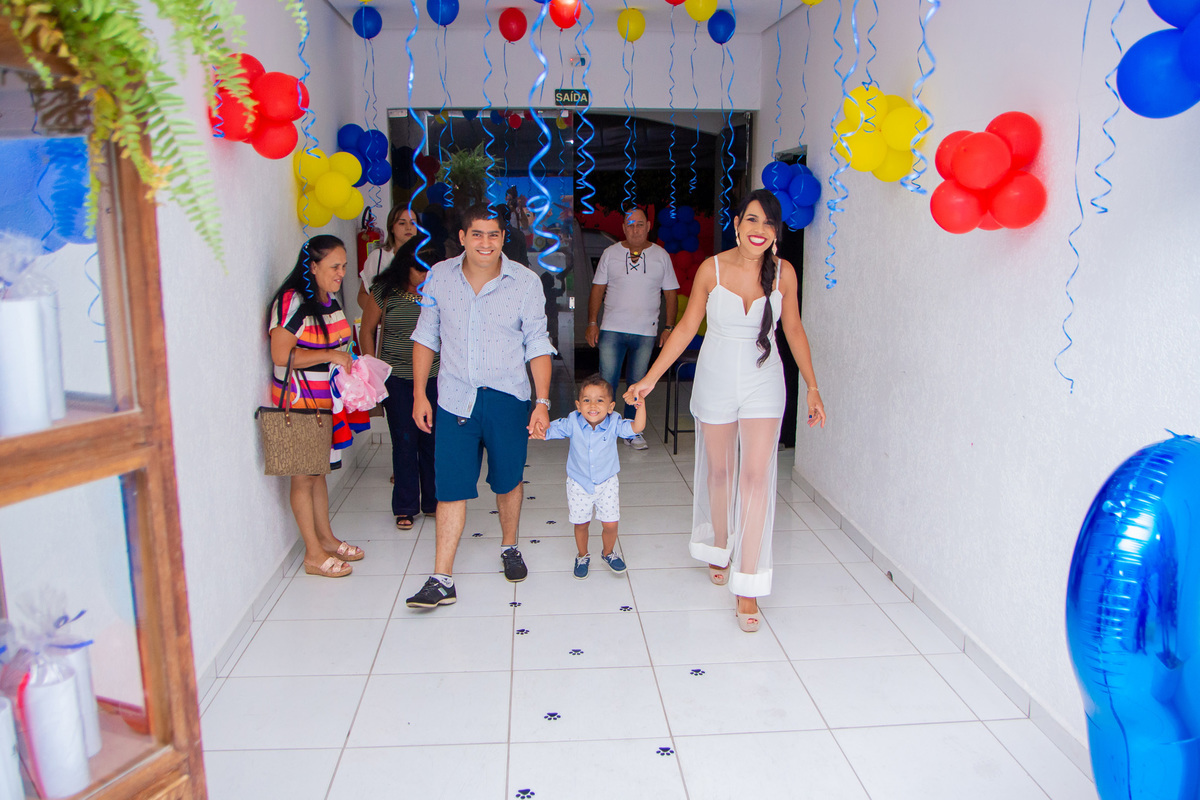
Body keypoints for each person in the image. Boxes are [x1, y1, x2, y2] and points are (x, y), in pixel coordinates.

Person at [625, 190, 827, 632]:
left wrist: (812, 386)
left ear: (776, 233)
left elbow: (792, 329)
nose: (760, 230)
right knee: (721, 473)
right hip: (716, 378)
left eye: (769, 223)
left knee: (757, 478)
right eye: (752, 220)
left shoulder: (785, 274)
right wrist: (650, 378)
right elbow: (682, 329)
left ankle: (749, 583)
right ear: (737, 223)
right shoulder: (710, 269)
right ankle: (720, 543)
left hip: (764, 382)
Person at [404, 205, 555, 609]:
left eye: (493, 235)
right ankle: (442, 578)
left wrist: (542, 402)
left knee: (507, 480)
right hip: (455, 398)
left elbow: (537, 343)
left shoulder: (525, 282)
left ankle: (509, 547)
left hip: (508, 397)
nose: (485, 243)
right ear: (463, 236)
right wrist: (420, 393)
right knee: (451, 486)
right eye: (477, 234)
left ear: (504, 238)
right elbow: (425, 336)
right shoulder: (439, 276)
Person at [267, 235, 367, 578]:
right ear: (312, 267)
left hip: (328, 403)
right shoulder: (292, 301)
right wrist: (330, 355)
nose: (341, 273)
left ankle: (326, 539)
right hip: (300, 404)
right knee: (303, 477)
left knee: (318, 473)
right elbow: (281, 354)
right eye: (334, 267)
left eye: (343, 266)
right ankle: (312, 553)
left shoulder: (328, 298)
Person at [359, 238, 444, 531]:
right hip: (395, 379)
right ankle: (406, 505)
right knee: (404, 441)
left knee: (432, 440)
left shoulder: (439, 293)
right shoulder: (385, 290)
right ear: (405, 265)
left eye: (430, 271)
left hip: (434, 377)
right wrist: (372, 370)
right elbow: (367, 330)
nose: (425, 276)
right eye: (419, 270)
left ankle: (433, 501)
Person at [532, 373, 646, 579]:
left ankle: (608, 553)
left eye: (599, 400)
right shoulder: (572, 422)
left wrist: (640, 406)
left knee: (611, 524)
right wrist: (537, 430)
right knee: (581, 523)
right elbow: (548, 430)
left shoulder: (614, 422)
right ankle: (582, 555)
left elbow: (637, 428)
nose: (593, 405)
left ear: (610, 407)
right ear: (578, 405)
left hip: (607, 482)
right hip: (579, 483)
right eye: (587, 400)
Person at [587, 205, 679, 450]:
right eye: (630, 224)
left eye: (640, 224)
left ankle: (630, 430)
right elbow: (597, 289)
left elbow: (671, 295)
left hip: (646, 332)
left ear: (648, 226)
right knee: (607, 383)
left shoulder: (661, 256)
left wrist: (669, 327)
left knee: (637, 383)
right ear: (623, 228)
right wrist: (592, 323)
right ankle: (602, 430)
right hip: (611, 330)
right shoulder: (610, 253)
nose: (635, 229)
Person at [357, 206, 418, 316]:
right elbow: (362, 294)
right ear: (391, 228)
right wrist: (380, 315)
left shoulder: (425, 257)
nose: (409, 228)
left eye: (413, 223)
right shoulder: (378, 256)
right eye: (402, 223)